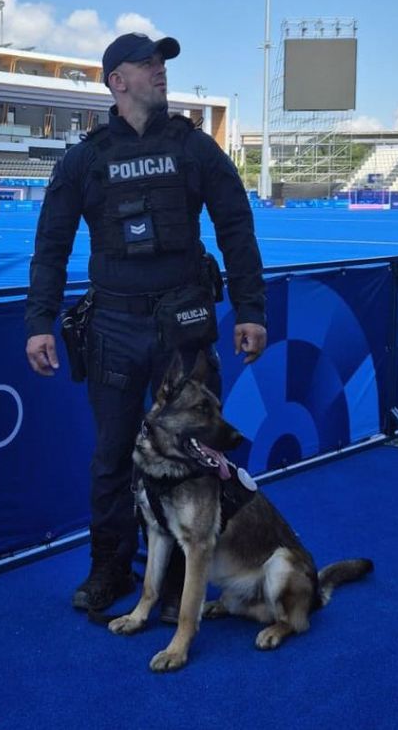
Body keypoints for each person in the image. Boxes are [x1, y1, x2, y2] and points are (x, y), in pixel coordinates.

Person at [24, 32, 267, 613]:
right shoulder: (85, 158)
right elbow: (51, 245)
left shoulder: (193, 147)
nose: (160, 72)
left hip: (184, 325)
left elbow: (236, 225)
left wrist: (252, 309)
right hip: (112, 329)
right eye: (147, 64)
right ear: (117, 80)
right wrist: (40, 321)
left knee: (198, 454)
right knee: (112, 457)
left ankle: (187, 572)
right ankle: (109, 567)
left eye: (162, 64)